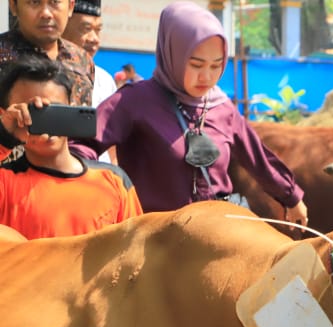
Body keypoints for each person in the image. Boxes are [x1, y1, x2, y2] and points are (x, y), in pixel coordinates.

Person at [71, 2, 307, 224]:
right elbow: (79, 147)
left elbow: (259, 160)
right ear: (172, 54)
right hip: (156, 241)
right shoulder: (133, 101)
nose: (207, 77)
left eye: (216, 65)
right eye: (196, 64)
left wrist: (292, 197)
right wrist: (104, 189)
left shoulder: (222, 108)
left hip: (216, 232)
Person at [0, 55, 140, 237]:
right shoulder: (5, 182)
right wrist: (4, 137)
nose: (46, 126)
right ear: (8, 114)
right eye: (32, 112)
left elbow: (135, 250)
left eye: (54, 111)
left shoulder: (114, 180)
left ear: (71, 107)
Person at [0, 0, 93, 108]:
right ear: (13, 6)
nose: (46, 14)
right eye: (34, 2)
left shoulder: (82, 59)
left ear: (70, 6)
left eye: (55, 2)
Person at [62, 0, 116, 108]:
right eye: (86, 29)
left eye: (98, 30)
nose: (94, 39)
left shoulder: (105, 82)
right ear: (63, 27)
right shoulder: (42, 73)